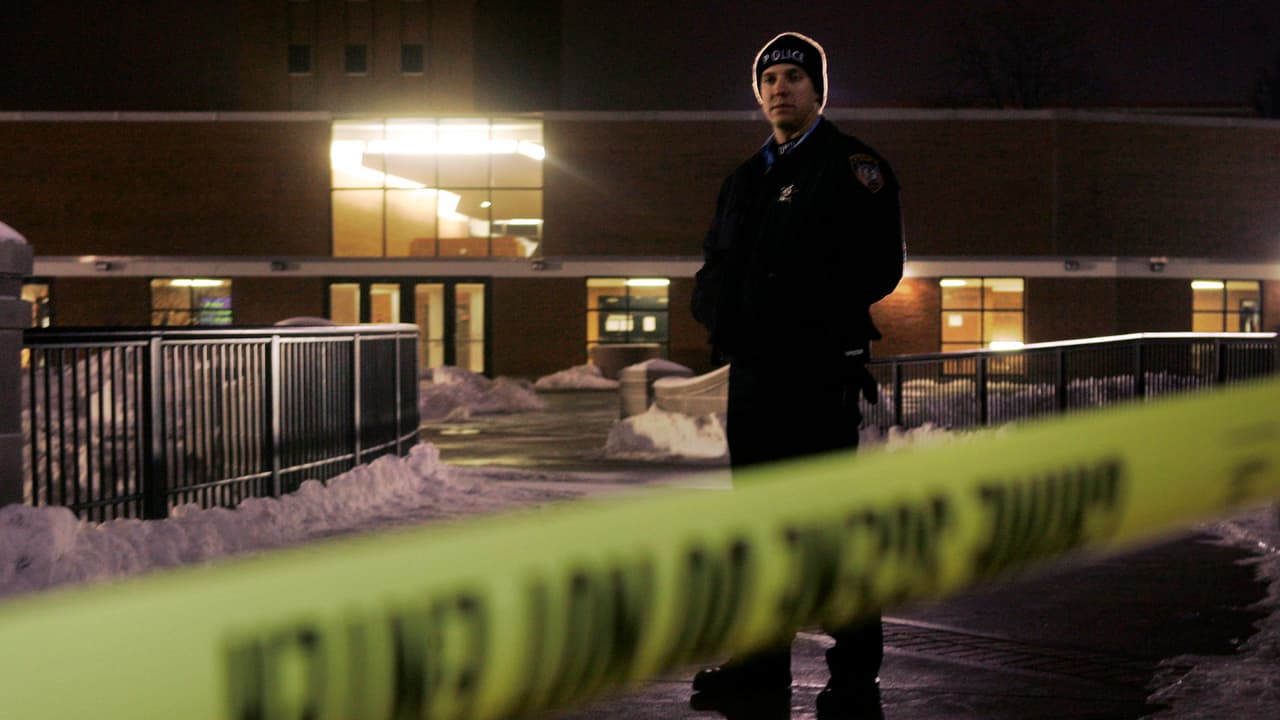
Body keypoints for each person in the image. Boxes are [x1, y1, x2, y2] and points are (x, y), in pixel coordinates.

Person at [690, 31, 905, 716]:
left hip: (816, 372)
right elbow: (715, 268)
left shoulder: (852, 167)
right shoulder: (743, 181)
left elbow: (879, 266)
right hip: (754, 376)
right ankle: (758, 668)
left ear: (818, 91)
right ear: (758, 95)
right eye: (769, 78)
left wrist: (800, 311)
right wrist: (715, 311)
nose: (780, 87)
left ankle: (853, 669)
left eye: (794, 77)